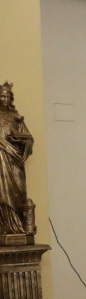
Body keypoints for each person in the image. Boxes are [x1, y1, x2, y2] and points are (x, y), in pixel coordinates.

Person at [0, 82, 34, 235]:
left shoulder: (16, 118)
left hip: (14, 158)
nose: (5, 99)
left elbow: (28, 138)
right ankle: (3, 225)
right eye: (2, 96)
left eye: (8, 96)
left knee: (17, 191)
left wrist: (23, 141)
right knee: (1, 190)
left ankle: (17, 225)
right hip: (1, 157)